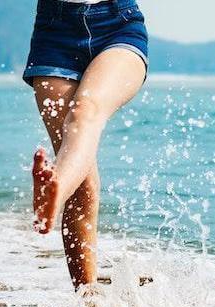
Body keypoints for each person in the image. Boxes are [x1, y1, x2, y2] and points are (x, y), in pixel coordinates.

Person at [23, 0, 148, 290]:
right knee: (83, 184)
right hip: (54, 34)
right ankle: (88, 302)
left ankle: (53, 195)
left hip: (118, 25)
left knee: (85, 111)